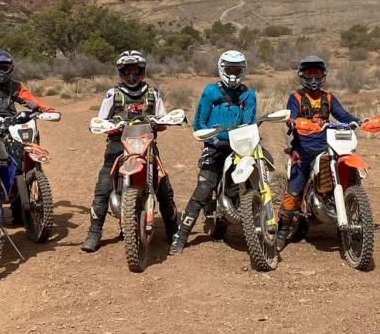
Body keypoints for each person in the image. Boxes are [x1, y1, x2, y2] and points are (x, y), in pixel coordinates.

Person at [82, 50, 178, 253]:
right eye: (128, 70)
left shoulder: (153, 93)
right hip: (118, 143)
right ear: (121, 71)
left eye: (135, 69)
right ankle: (93, 233)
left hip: (146, 142)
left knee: (164, 187)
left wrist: (160, 122)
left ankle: (173, 232)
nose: (132, 74)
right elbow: (101, 119)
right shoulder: (113, 94)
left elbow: (162, 119)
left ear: (142, 70)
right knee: (103, 187)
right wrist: (111, 125)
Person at [171, 50, 257, 255]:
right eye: (230, 70)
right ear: (222, 69)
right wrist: (213, 139)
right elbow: (198, 123)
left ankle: (253, 225)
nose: (234, 74)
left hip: (239, 147)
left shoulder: (248, 94)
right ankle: (181, 236)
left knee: (250, 182)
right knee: (204, 187)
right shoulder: (211, 91)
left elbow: (250, 123)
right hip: (214, 145)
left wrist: (245, 140)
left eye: (238, 70)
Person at [277, 55, 359, 250]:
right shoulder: (295, 97)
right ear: (302, 75)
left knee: (350, 174)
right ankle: (282, 231)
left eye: (317, 73)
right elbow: (291, 116)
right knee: (295, 187)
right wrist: (293, 122)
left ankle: (347, 217)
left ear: (323, 75)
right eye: (309, 73)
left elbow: (343, 115)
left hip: (328, 145)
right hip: (304, 148)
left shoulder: (328, 97)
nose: (313, 78)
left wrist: (357, 120)